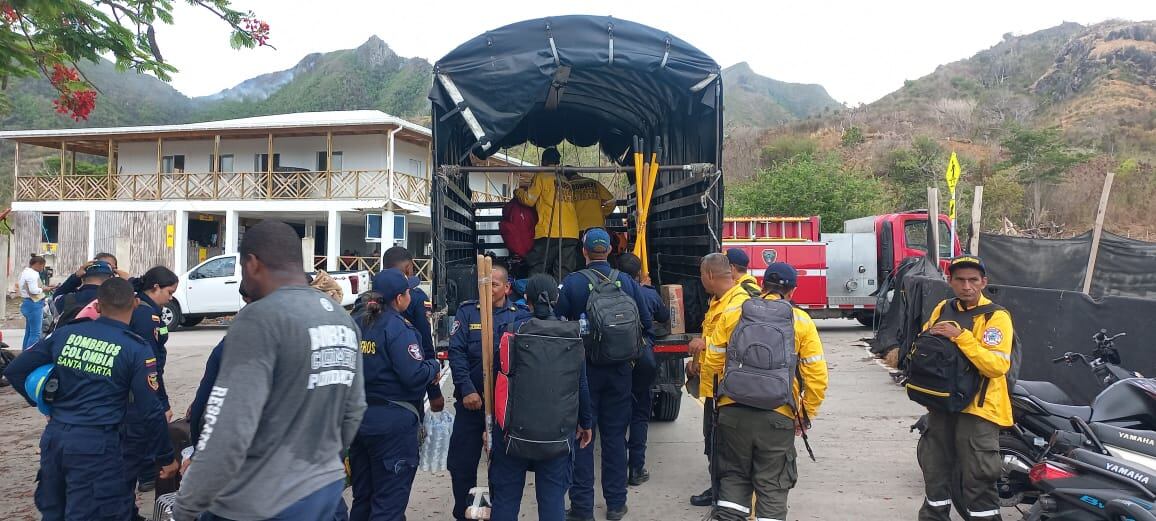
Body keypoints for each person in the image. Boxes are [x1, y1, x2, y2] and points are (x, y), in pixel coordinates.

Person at [173, 220, 366, 521]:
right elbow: (354, 410)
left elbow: (228, 430)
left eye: (240, 267)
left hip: (257, 502)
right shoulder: (342, 321)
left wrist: (187, 506)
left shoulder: (258, 319)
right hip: (320, 496)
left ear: (252, 263)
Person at [4, 278, 177, 520]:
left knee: (54, 510)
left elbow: (15, 370)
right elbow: (150, 409)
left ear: (97, 306)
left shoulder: (65, 334)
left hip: (55, 440)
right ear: (135, 304)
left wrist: (47, 404)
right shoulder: (136, 348)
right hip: (98, 446)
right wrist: (166, 457)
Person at [704, 259, 829, 521]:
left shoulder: (734, 313)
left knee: (734, 478)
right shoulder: (801, 322)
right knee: (772, 486)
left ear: (762, 285)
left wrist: (717, 401)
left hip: (733, 411)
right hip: (778, 414)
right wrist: (804, 414)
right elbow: (816, 376)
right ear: (793, 291)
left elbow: (713, 361)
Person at [556, 228, 653, 521]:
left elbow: (558, 325)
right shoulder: (626, 281)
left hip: (583, 372)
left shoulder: (572, 284)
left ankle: (583, 507)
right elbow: (646, 323)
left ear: (584, 251)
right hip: (621, 371)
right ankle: (616, 504)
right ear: (611, 250)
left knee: (583, 436)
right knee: (614, 437)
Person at [489, 274, 593, 521]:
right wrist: (585, 423)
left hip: (512, 434)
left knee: (505, 500)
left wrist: (492, 425)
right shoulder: (573, 335)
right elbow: (582, 386)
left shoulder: (512, 332)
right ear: (556, 299)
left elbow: (498, 381)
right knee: (553, 502)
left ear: (527, 300)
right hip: (557, 436)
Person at [917, 256, 1014, 521]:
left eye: (973, 280)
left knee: (979, 479)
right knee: (935, 473)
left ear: (984, 282)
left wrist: (961, 337)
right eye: (959, 279)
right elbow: (928, 349)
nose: (966, 286)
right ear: (950, 281)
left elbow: (995, 366)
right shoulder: (942, 308)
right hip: (942, 407)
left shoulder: (996, 317)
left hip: (978, 412)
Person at [349, 268, 440, 521]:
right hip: (392, 426)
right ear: (399, 298)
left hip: (359, 420)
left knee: (363, 498)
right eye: (408, 291)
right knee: (388, 504)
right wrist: (433, 366)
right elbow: (413, 375)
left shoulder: (356, 321)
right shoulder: (399, 328)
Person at [447, 264, 530, 521]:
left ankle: (497, 511)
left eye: (493, 284)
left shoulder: (520, 316)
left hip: (506, 410)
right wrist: (466, 389)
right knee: (461, 464)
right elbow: (457, 354)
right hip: (472, 404)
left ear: (506, 288)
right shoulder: (468, 312)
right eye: (484, 283)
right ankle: (463, 511)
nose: (488, 289)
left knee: (502, 468)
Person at [120, 266, 179, 512]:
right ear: (155, 287)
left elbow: (160, 341)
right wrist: (162, 402)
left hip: (140, 387)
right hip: (141, 389)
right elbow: (150, 367)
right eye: (169, 291)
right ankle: (144, 478)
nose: (171, 297)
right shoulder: (145, 316)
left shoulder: (153, 311)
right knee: (142, 434)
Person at [615, 253, 670, 487]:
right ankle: (636, 469)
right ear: (639, 274)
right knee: (639, 415)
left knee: (613, 420)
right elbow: (666, 317)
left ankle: (615, 470)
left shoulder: (603, 293)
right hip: (643, 361)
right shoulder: (648, 294)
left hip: (614, 361)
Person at [382, 246, 445, 413]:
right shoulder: (416, 297)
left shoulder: (368, 301)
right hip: (405, 395)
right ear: (409, 268)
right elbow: (425, 342)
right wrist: (434, 392)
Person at [515, 147, 580, 280]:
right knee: (563, 270)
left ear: (544, 161)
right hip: (571, 232)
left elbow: (529, 200)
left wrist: (518, 192)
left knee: (539, 266)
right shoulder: (565, 181)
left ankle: (535, 296)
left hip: (550, 231)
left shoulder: (542, 176)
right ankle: (561, 296)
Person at [568, 171, 615, 268]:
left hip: (579, 228)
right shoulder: (593, 182)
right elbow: (611, 201)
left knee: (582, 259)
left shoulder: (567, 187)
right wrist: (602, 213)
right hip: (598, 226)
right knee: (602, 254)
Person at [51, 252, 130, 303]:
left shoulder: (69, 300)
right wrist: (127, 282)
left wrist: (75, 277)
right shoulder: (118, 301)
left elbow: (57, 296)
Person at [18, 255, 50, 348]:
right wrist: (43, 289)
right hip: (34, 303)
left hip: (27, 303)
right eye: (42, 266)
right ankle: (29, 356)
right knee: (36, 333)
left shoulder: (25, 272)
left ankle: (25, 353)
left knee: (29, 332)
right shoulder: (33, 274)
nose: (42, 268)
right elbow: (33, 290)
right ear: (37, 264)